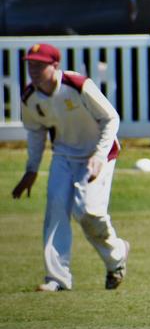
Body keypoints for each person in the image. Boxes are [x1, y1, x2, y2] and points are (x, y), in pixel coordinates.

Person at [12, 43, 130, 292]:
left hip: (100, 153)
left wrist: (98, 155)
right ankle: (57, 278)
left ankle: (116, 256)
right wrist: (31, 169)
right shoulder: (29, 97)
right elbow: (35, 133)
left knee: (88, 212)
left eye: (39, 64)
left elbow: (111, 118)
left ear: (54, 66)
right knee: (55, 208)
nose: (33, 69)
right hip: (64, 155)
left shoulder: (77, 85)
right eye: (30, 64)